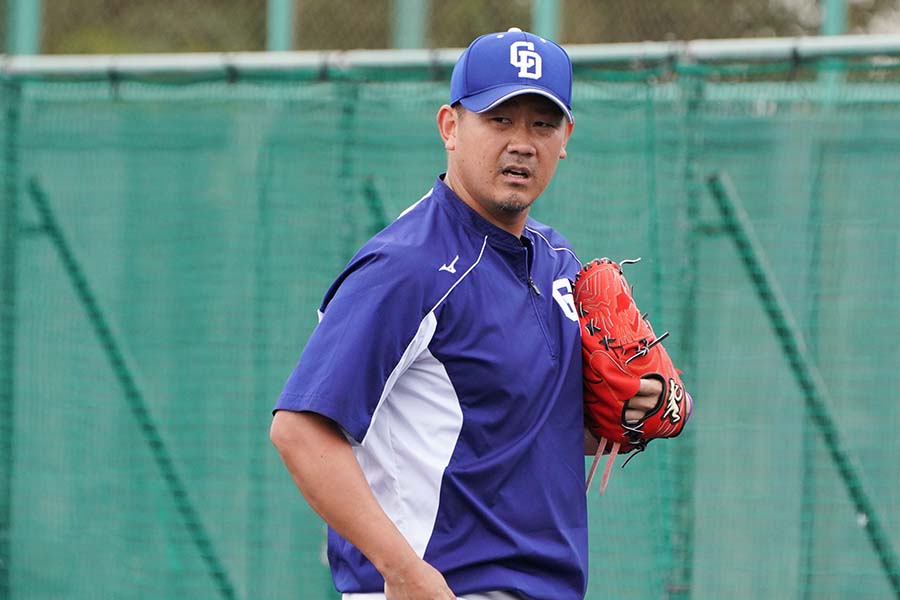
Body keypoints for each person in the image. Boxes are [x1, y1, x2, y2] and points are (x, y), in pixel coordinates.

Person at [270, 28, 661, 600]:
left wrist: (632, 408)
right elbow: (300, 430)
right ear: (450, 127)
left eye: (542, 124)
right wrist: (400, 570)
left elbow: (515, 427)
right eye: (499, 119)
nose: (522, 143)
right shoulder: (408, 266)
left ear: (566, 137)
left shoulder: (557, 260)